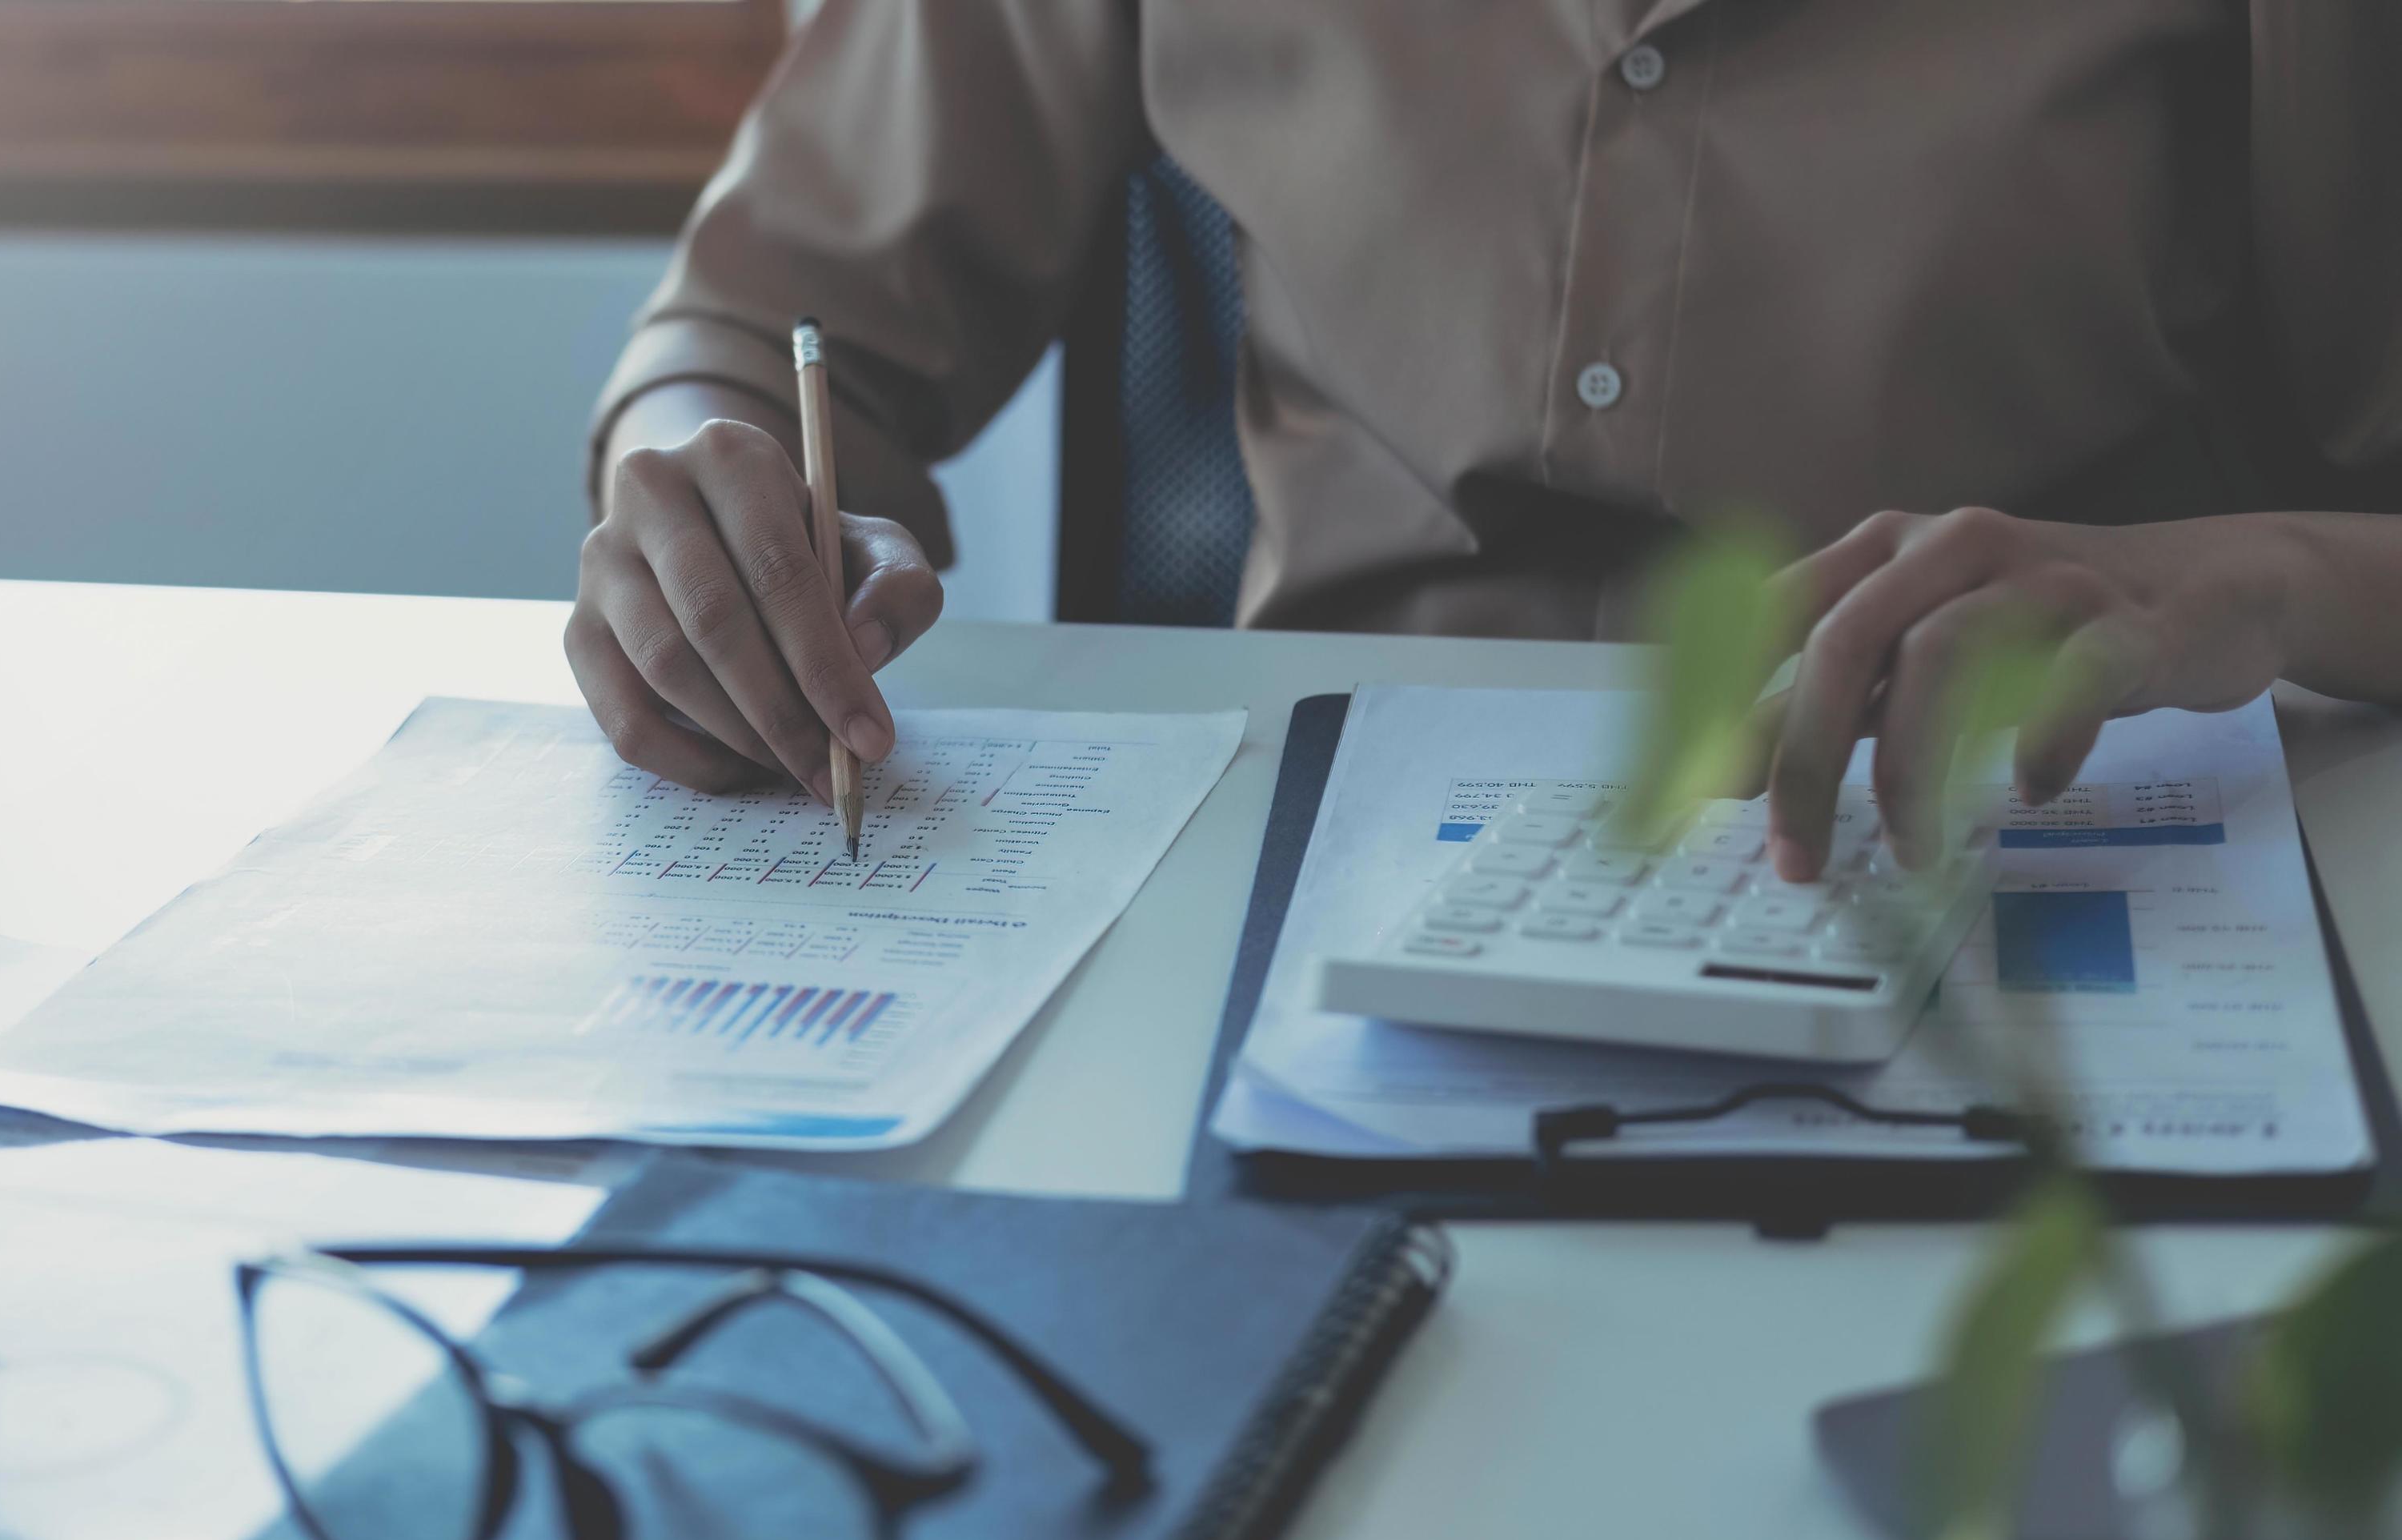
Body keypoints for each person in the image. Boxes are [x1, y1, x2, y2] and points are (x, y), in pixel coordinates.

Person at [567, 2, 2400, 882]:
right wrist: (711, 495)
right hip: (1289, 905)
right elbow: (756, 334)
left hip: (2009, 860)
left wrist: (2225, 571)